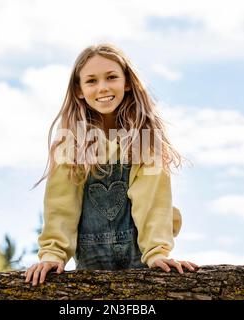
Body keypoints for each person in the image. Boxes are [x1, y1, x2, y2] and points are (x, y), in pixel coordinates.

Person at [25, 43, 198, 286]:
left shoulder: (144, 141)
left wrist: (157, 252)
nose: (103, 87)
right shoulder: (71, 145)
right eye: (92, 81)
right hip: (90, 265)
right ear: (79, 90)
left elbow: (153, 202)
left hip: (141, 261)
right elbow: (61, 205)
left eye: (111, 77)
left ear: (127, 82)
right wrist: (53, 254)